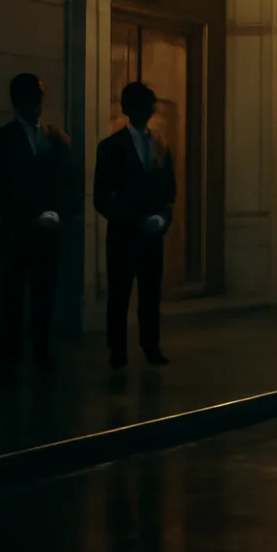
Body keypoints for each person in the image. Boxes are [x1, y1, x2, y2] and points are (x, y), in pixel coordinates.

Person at [0, 73, 72, 373]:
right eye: (30, 98)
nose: (36, 105)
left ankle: (41, 351)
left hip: (47, 232)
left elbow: (69, 183)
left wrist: (57, 213)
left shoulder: (57, 138)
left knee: (44, 295)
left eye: (38, 98)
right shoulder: (2, 139)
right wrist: (30, 215)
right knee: (12, 296)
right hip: (18, 232)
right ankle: (10, 355)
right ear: (17, 102)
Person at [94, 81, 176, 369]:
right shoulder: (111, 147)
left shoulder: (160, 143)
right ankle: (117, 350)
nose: (147, 111)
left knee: (151, 294)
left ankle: (150, 345)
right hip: (124, 235)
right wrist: (134, 220)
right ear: (129, 110)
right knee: (119, 294)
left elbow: (169, 189)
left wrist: (162, 219)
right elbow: (101, 197)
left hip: (151, 235)